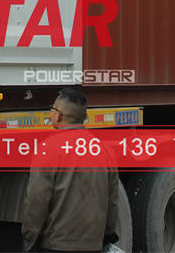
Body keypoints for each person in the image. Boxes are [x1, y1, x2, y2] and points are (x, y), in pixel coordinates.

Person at [21, 88, 119, 253]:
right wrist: (107, 236)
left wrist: (30, 240)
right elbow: (112, 201)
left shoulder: (48, 149)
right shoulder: (105, 150)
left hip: (56, 244)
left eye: (52, 109)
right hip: (92, 245)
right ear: (84, 117)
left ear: (58, 115)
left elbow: (37, 200)